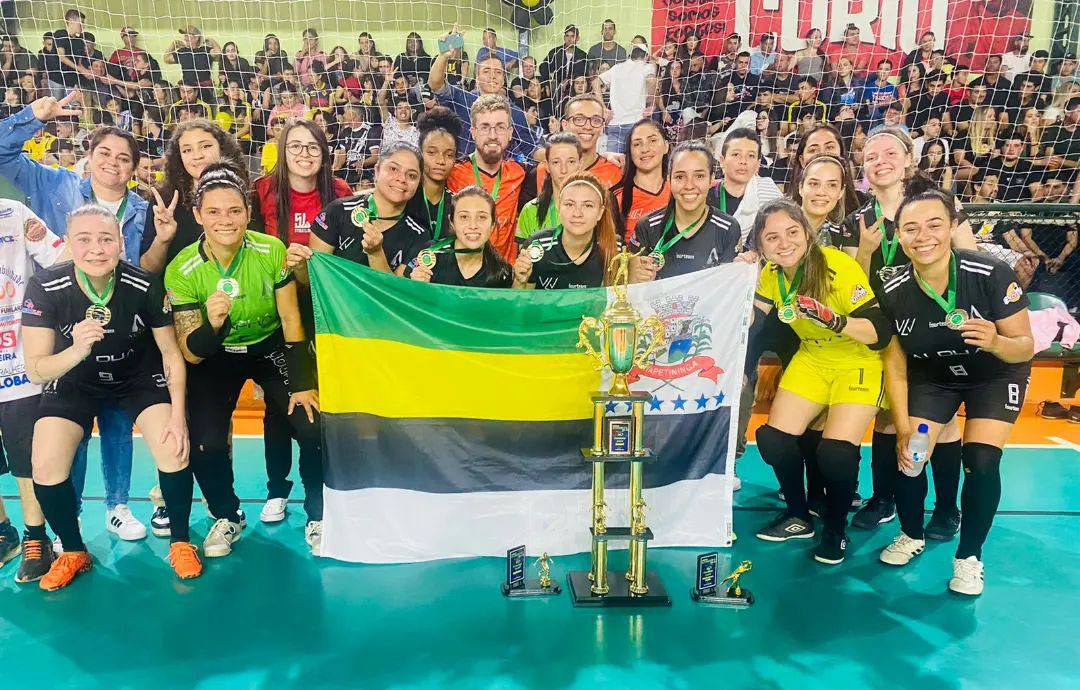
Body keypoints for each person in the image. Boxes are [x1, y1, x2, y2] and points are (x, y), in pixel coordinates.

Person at [0, 92, 152, 540]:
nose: (113, 162)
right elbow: (3, 154)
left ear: (135, 167)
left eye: (124, 157)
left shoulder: (143, 209)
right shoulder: (56, 185)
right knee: (71, 418)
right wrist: (33, 116)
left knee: (119, 419)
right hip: (58, 322)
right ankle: (73, 508)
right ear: (89, 156)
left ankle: (118, 506)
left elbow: (143, 268)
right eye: (104, 152)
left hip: (120, 320)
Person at [23, 205, 197, 590]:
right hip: (74, 379)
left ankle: (182, 541)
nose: (96, 249)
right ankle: (72, 550)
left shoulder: (145, 284)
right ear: (68, 243)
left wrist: (178, 415)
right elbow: (36, 368)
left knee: (174, 448)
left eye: (106, 239)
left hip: (136, 376)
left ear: (121, 242)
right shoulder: (46, 286)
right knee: (46, 464)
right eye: (84, 240)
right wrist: (76, 350)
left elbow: (170, 354)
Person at [877, 187, 1034, 595]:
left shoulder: (990, 273)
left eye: (934, 224)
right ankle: (911, 535)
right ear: (898, 234)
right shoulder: (893, 288)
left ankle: (969, 557)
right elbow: (894, 363)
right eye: (911, 228)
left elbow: (1024, 345)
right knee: (910, 454)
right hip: (935, 376)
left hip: (995, 375)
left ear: (951, 228)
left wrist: (996, 341)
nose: (923, 235)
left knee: (980, 459)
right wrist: (901, 422)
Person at [165, 164, 323, 557]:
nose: (225, 220)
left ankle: (319, 515)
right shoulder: (182, 269)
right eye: (214, 212)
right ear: (198, 216)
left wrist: (303, 382)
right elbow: (190, 351)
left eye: (234, 210)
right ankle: (228, 515)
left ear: (248, 212)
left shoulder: (270, 250)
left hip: (269, 347)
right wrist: (213, 324)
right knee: (206, 442)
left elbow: (290, 319)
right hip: (216, 356)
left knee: (310, 425)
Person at [748, 200, 890, 564]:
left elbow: (880, 332)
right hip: (812, 357)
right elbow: (755, 316)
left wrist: (836, 321)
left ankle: (835, 530)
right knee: (773, 440)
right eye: (772, 237)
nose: (784, 243)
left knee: (836, 453)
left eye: (792, 232)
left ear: (807, 234)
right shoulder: (771, 275)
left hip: (855, 360)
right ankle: (798, 515)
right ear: (761, 247)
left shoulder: (837, 266)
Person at [0, 199, 69, 582]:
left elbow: (60, 257)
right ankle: (4, 532)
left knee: (26, 457)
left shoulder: (12, 213)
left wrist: (94, 234)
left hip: (17, 360)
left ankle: (35, 536)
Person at [140, 119, 245, 274]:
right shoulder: (164, 201)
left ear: (222, 149)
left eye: (205, 146)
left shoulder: (244, 195)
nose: (197, 156)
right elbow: (147, 269)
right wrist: (162, 240)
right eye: (187, 150)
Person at [627, 142, 740, 281]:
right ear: (669, 180)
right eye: (680, 177)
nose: (689, 186)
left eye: (699, 176)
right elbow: (630, 286)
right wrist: (636, 278)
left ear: (711, 179)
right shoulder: (648, 226)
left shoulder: (728, 228)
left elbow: (728, 290)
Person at [311, 142, 428, 274]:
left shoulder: (419, 237)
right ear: (377, 170)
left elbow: (395, 292)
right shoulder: (337, 211)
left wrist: (376, 254)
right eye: (393, 169)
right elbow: (315, 277)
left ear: (419, 183)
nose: (402, 179)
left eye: (412, 175)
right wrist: (300, 268)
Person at [428, 28, 539, 161]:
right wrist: (443, 56)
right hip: (461, 174)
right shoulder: (463, 98)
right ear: (477, 76)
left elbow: (532, 151)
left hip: (499, 178)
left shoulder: (515, 113)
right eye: (486, 71)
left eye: (498, 72)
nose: (492, 76)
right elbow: (435, 84)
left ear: (504, 78)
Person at [446, 95, 532, 262]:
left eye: (500, 127)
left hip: (505, 278)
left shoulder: (520, 172)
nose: (493, 135)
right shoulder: (452, 172)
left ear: (510, 133)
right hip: (462, 273)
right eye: (485, 127)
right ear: (473, 132)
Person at [513, 171, 619, 290]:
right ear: (559, 208)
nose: (577, 213)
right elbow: (520, 305)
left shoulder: (616, 250)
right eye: (569, 204)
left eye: (588, 205)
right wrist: (520, 282)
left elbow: (622, 303)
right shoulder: (537, 246)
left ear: (600, 212)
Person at [404, 186, 512, 287]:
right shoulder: (429, 254)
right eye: (464, 217)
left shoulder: (501, 272)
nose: (473, 225)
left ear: (493, 224)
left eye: (482, 217)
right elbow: (401, 298)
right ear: (452, 222)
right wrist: (414, 287)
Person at [712, 128, 782, 250]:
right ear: (722, 160)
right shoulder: (708, 194)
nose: (743, 161)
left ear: (758, 164)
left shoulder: (769, 191)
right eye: (736, 155)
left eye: (751, 156)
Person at [405, 107, 459, 244]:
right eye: (432, 153)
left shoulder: (457, 205)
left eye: (449, 155)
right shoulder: (404, 198)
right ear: (420, 154)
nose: (441, 161)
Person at [614, 118, 670, 243]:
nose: (645, 149)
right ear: (630, 151)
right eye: (637, 144)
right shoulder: (616, 197)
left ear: (666, 146)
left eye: (652, 141)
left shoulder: (680, 191)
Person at [517, 133, 582, 239]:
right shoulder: (530, 210)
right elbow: (522, 253)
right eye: (556, 162)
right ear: (547, 166)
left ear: (580, 164)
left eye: (571, 162)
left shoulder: (593, 209)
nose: (564, 170)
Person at [597, 42, 655, 154]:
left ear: (630, 56)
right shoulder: (647, 67)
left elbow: (596, 82)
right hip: (636, 123)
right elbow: (651, 80)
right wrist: (651, 103)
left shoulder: (616, 68)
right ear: (646, 56)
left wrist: (602, 107)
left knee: (613, 164)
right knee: (634, 165)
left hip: (615, 124)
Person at [165, 26, 221, 107]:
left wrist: (212, 41)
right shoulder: (183, 51)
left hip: (204, 91)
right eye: (185, 36)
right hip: (187, 91)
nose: (185, 38)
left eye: (188, 35)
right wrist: (173, 45)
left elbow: (218, 52)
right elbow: (167, 59)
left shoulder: (205, 50)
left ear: (196, 37)